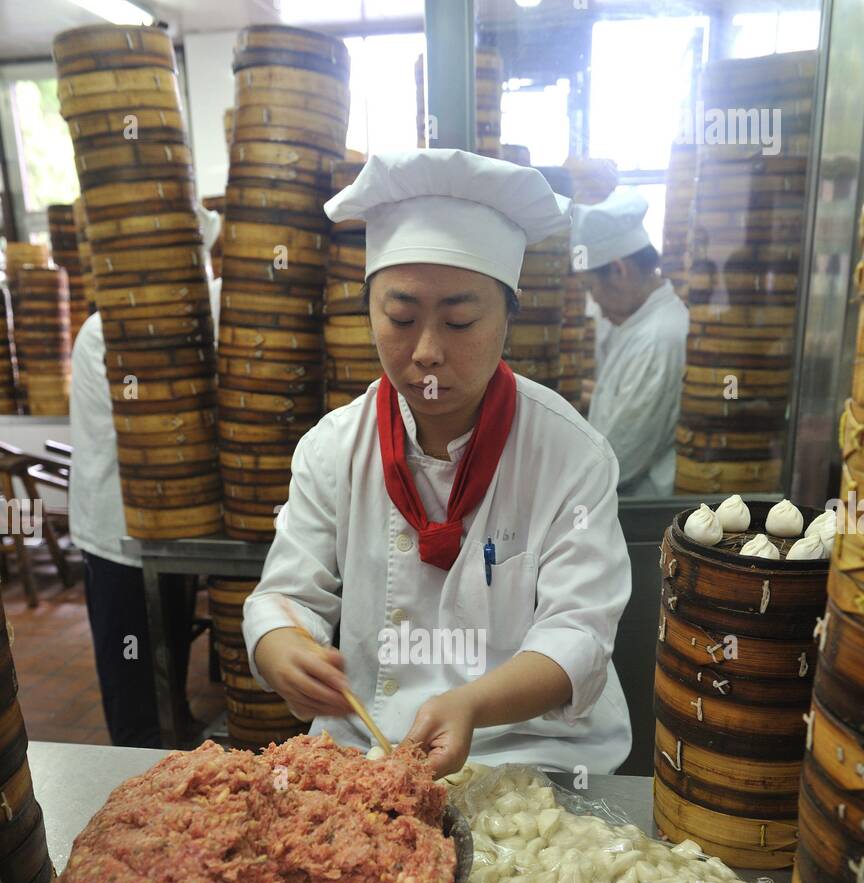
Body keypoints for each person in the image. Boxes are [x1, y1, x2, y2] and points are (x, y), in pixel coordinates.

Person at [243, 149, 632, 778]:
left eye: (460, 320)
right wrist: (281, 644)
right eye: (400, 318)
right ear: (369, 311)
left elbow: (579, 635)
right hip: (369, 752)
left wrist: (473, 704)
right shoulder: (333, 449)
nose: (426, 352)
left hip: (529, 757)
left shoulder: (569, 456)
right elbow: (285, 595)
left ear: (509, 315)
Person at [69, 206, 221, 747]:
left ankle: (172, 740)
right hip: (118, 535)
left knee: (168, 658)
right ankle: (134, 771)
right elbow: (161, 426)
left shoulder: (184, 322)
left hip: (169, 529)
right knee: (132, 674)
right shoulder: (108, 332)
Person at [571, 189, 688, 497]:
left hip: (638, 507)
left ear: (619, 270)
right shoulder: (637, 324)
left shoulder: (658, 337)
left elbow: (621, 455)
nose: (592, 300)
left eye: (590, 287)